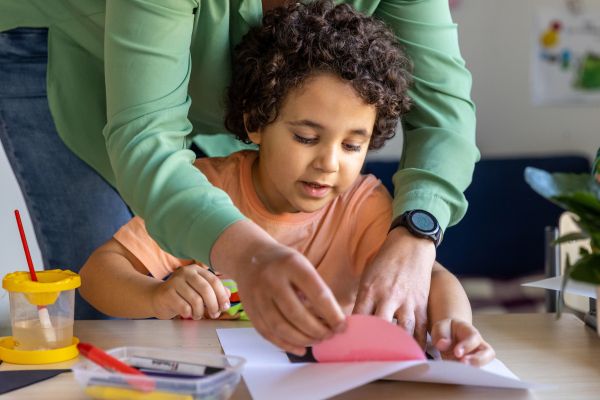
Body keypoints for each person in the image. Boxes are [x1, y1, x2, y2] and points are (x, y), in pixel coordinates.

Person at [0, 0, 479, 348]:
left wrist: (417, 235)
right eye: (308, 138)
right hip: (60, 41)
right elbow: (145, 144)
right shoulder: (227, 177)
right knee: (107, 314)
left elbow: (445, 115)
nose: (329, 163)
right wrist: (242, 256)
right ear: (256, 122)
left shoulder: (355, 203)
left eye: (352, 145)